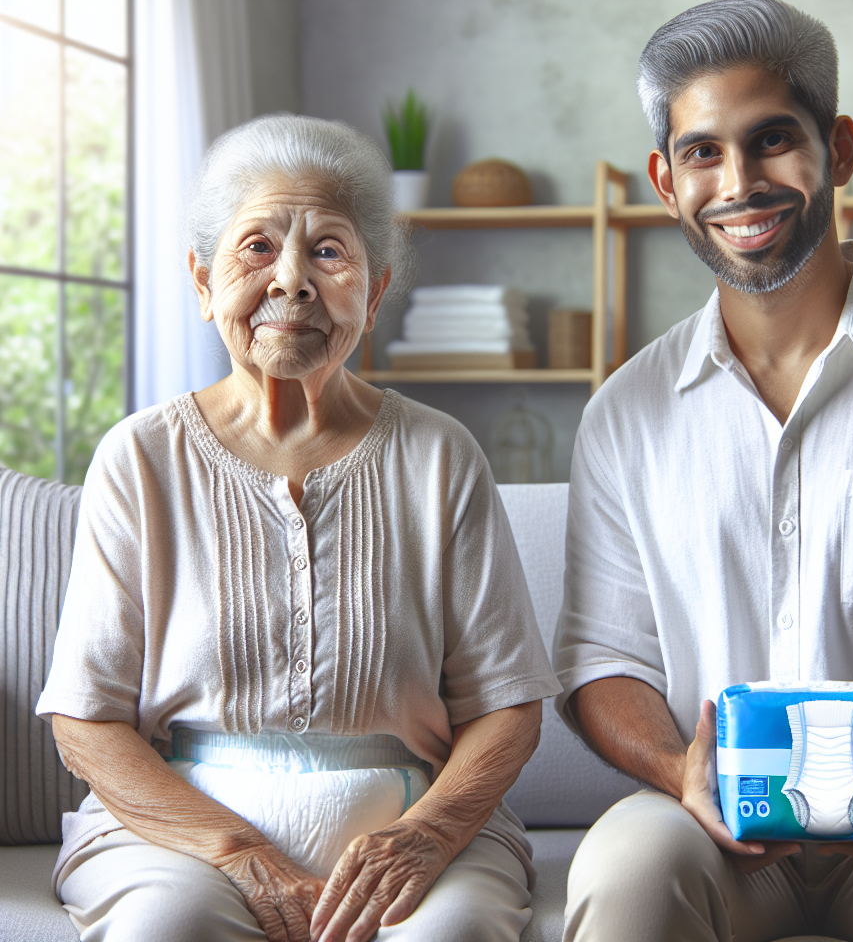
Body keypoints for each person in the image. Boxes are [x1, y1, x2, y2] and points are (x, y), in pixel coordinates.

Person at [552, 0, 853, 942]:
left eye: (773, 140)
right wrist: (674, 768)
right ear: (663, 178)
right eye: (703, 152)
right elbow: (600, 660)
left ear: (838, 149)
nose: (740, 183)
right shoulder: (625, 415)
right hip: (715, 832)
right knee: (624, 870)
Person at [36, 113, 562, 942]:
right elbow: (85, 718)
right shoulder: (140, 456)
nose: (292, 281)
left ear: (375, 290)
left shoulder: (441, 455)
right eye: (256, 248)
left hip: (414, 823)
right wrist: (236, 850)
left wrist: (425, 834)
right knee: (167, 929)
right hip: (181, 835)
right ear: (203, 281)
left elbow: (507, 706)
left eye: (328, 250)